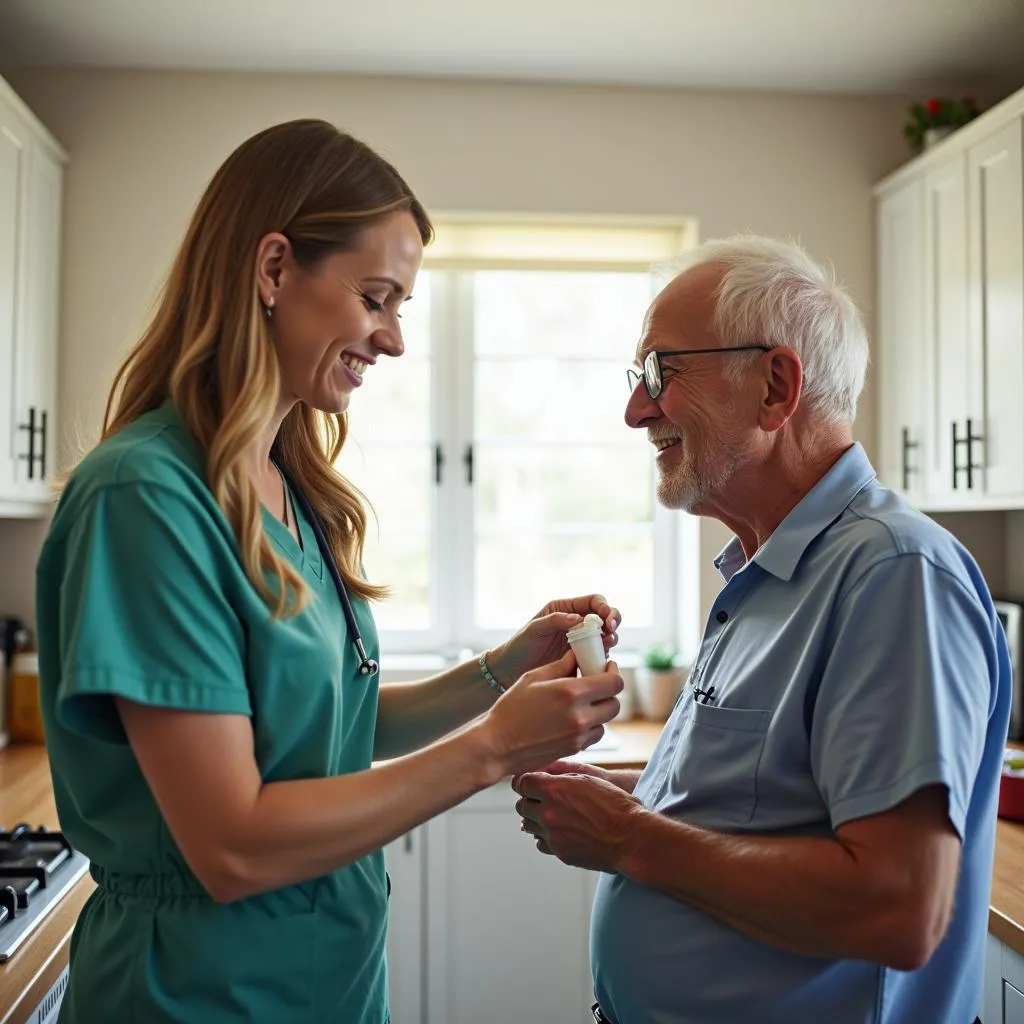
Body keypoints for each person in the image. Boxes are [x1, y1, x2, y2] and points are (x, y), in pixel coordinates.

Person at [36, 119, 624, 1024]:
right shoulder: (146, 497)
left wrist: (504, 668)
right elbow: (231, 842)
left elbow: (333, 728)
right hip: (197, 993)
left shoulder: (285, 484)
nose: (391, 340)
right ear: (274, 270)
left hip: (329, 984)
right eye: (377, 297)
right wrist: (496, 745)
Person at [513, 235, 1010, 1024]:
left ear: (776, 387)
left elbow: (897, 908)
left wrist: (632, 841)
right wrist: (617, 804)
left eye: (660, 372)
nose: (636, 410)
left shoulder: (892, 574)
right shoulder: (763, 572)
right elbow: (764, 809)